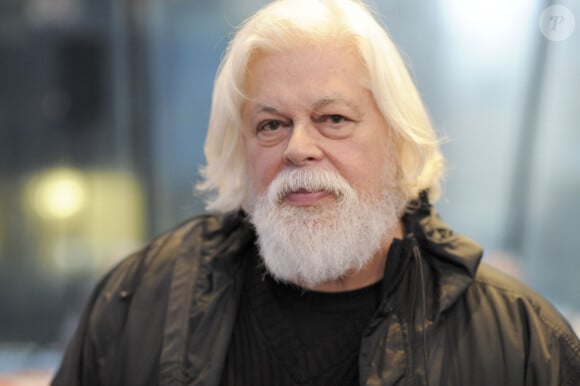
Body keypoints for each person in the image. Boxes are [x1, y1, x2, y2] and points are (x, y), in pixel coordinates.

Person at [51, 0, 580, 385]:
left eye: (333, 118)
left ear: (397, 142)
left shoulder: (523, 341)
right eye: (271, 125)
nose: (298, 149)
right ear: (243, 152)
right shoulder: (139, 303)